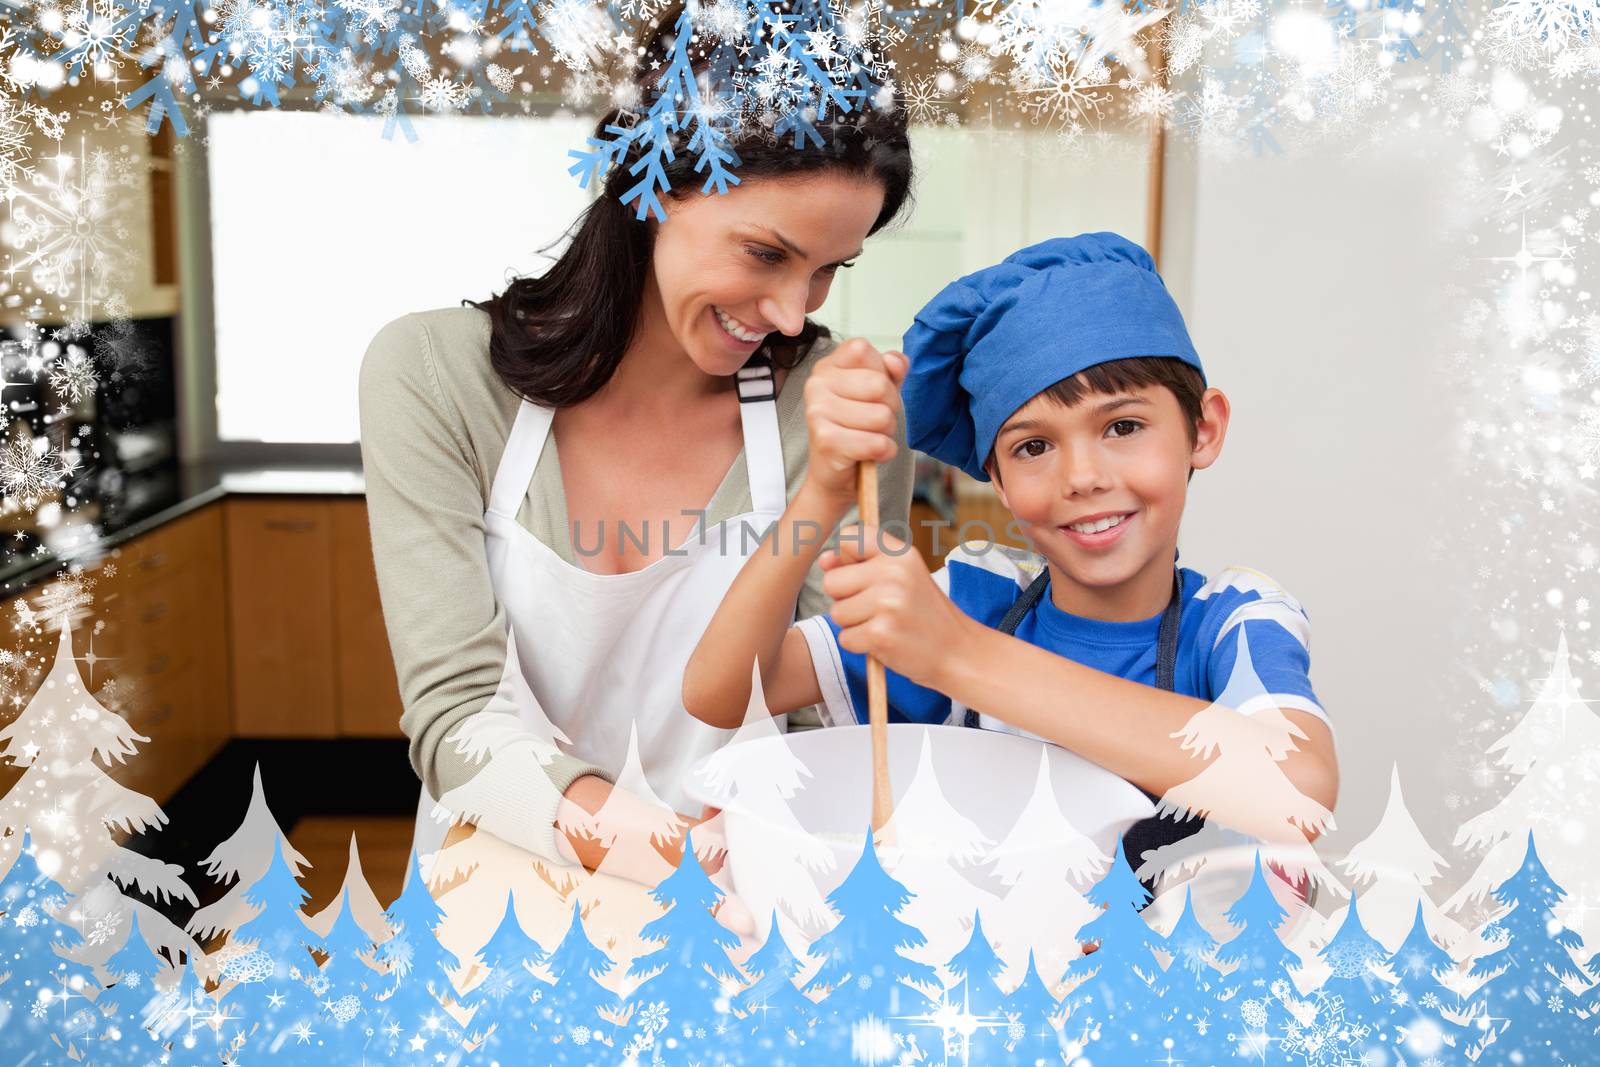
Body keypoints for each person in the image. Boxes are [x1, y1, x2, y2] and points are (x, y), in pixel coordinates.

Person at [358, 3, 917, 878]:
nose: (790, 311)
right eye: (766, 253)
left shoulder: (833, 406)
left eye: (827, 270)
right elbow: (457, 715)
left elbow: (832, 703)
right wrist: (676, 857)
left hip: (750, 897)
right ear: (649, 186)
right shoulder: (433, 375)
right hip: (507, 890)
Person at [683, 232, 1340, 882]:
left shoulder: (1232, 620)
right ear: (995, 477)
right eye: (1033, 447)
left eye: (1123, 426)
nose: (1081, 476)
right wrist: (822, 493)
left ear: (1203, 429)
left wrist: (958, 655)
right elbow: (719, 691)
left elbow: (1297, 791)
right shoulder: (976, 594)